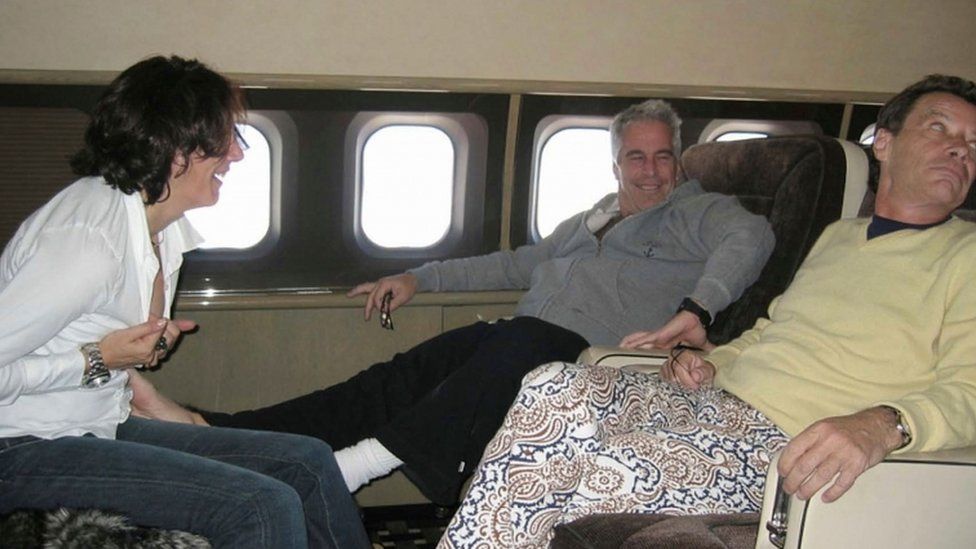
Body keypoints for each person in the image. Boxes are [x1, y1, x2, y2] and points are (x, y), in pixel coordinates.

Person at [139, 98, 775, 506]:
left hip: (599, 361)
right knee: (395, 378)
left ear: (678, 161)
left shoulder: (698, 212)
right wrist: (419, 278)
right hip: (526, 338)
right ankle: (223, 432)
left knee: (521, 340)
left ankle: (354, 468)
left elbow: (753, 238)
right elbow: (515, 264)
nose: (651, 170)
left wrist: (695, 311)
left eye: (663, 156)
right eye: (636, 156)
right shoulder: (595, 218)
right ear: (615, 165)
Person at [438, 73, 976, 548]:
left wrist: (885, 425)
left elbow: (970, 390)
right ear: (883, 142)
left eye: (973, 143)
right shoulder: (841, 236)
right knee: (552, 382)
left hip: (789, 447)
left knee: (577, 469)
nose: (960, 149)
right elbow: (773, 330)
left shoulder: (966, 256)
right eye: (940, 128)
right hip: (716, 402)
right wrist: (715, 360)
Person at [0, 56, 370, 549]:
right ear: (173, 148)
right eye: (225, 138)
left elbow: (86, 335)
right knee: (261, 504)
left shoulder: (163, 230)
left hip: (95, 424)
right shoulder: (89, 242)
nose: (237, 154)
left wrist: (138, 358)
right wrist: (95, 359)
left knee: (308, 462)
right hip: (20, 446)